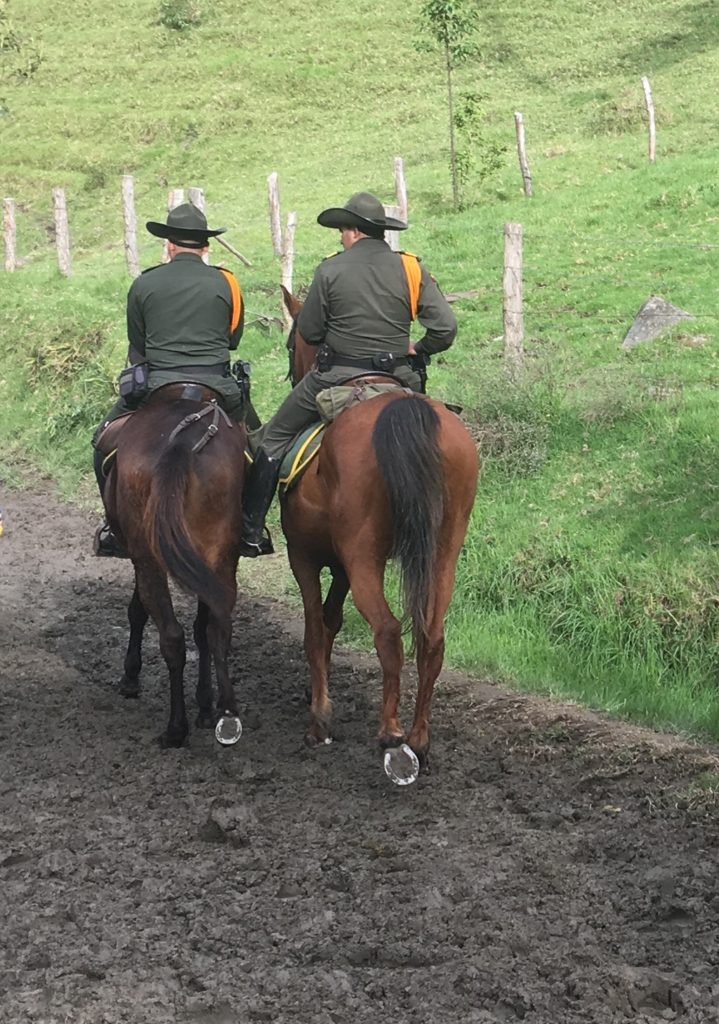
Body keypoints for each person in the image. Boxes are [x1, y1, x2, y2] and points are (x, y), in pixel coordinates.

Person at [240, 190, 457, 557]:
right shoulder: (410, 267)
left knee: (272, 439)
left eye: (342, 230)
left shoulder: (331, 268)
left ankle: (250, 530)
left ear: (354, 231)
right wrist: (418, 349)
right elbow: (445, 329)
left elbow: (308, 332)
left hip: (335, 376)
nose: (341, 236)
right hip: (400, 378)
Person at [92, 202, 247, 557]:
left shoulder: (145, 282)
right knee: (261, 451)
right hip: (217, 388)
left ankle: (116, 528)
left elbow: (139, 342)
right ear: (205, 246)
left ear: (169, 244)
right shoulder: (228, 282)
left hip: (156, 387)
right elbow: (233, 338)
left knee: (102, 444)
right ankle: (251, 526)